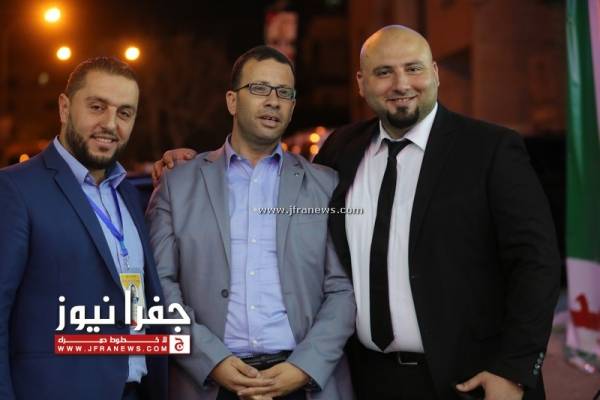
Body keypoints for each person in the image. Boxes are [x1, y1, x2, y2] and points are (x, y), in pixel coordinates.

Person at [154, 26, 562, 400]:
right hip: (370, 379)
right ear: (362, 84)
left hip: (469, 378)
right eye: (384, 72)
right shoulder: (341, 153)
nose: (401, 84)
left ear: (435, 73)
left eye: (414, 68)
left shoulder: (489, 149)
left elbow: (537, 262)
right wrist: (187, 164)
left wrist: (513, 369)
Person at [146, 45, 355, 400]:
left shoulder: (325, 185)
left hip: (303, 384)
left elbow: (343, 289)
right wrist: (211, 359)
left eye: (284, 93)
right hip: (208, 383)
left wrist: (304, 366)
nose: (273, 101)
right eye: (259, 88)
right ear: (232, 101)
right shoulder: (178, 183)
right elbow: (159, 285)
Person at [0, 57, 167, 400]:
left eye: (125, 113)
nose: (110, 124)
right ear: (64, 108)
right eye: (97, 107)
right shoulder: (14, 189)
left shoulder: (129, 194)